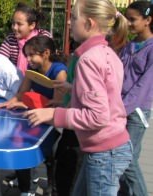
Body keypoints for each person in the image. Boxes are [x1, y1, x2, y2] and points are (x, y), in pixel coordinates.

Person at [24, 0, 132, 195]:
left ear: (89, 24)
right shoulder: (108, 53)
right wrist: (74, 88)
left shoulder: (88, 60)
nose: (68, 23)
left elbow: (98, 116)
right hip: (112, 146)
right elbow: (106, 94)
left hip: (105, 153)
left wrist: (53, 113)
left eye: (73, 18)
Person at [0, 36, 67, 196]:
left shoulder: (59, 71)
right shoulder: (31, 69)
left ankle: (52, 186)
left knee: (53, 155)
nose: (28, 59)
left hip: (55, 118)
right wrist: (9, 104)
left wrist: (26, 105)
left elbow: (56, 103)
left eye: (31, 55)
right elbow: (22, 93)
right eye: (26, 55)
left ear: (46, 53)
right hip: (38, 114)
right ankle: (26, 189)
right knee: (20, 142)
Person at [118, 1, 153, 195]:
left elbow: (144, 85)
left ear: (148, 20)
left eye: (133, 20)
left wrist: (122, 108)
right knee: (128, 159)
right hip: (120, 108)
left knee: (127, 159)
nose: (129, 24)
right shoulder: (129, 45)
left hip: (136, 112)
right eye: (127, 19)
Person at [0, 3, 52, 74]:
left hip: (41, 78)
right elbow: (0, 61)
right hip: (16, 80)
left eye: (19, 24)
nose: (14, 27)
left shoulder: (43, 36)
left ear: (32, 25)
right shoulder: (11, 39)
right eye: (13, 23)